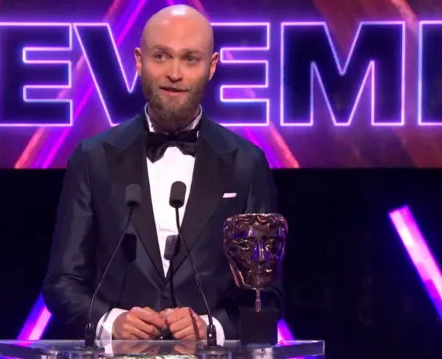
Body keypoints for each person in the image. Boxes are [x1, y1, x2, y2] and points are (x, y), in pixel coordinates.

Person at [42, 4, 284, 342]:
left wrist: (209, 327)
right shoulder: (92, 159)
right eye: (161, 56)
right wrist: (111, 322)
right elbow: (62, 283)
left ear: (211, 67)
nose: (175, 73)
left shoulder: (246, 164)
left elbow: (266, 296)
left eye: (190, 59)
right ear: (139, 61)